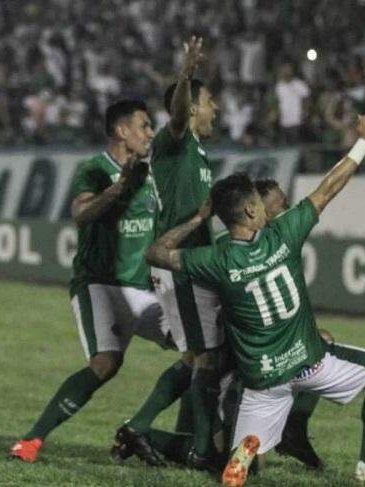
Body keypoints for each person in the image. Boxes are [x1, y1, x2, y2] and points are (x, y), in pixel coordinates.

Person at [145, 115, 365, 485]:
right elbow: (329, 188)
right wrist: (363, 144)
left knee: (248, 463)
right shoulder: (284, 235)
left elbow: (156, 254)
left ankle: (246, 449)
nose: (270, 208)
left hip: (263, 379)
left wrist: (197, 219)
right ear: (252, 210)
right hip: (309, 364)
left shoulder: (216, 259)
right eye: (260, 202)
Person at [9, 100, 170, 465]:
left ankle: (175, 441)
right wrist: (118, 189)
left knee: (201, 350)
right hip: (100, 285)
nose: (150, 133)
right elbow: (81, 214)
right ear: (121, 131)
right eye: (144, 126)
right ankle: (32, 440)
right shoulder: (96, 169)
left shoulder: (152, 174)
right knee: (105, 363)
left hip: (142, 290)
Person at [113, 36, 223, 470]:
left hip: (190, 263)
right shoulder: (175, 140)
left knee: (198, 357)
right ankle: (196, 446)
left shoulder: (197, 151)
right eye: (210, 102)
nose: (216, 109)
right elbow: (177, 114)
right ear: (193, 108)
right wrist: (185, 75)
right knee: (206, 357)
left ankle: (143, 428)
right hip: (177, 266)